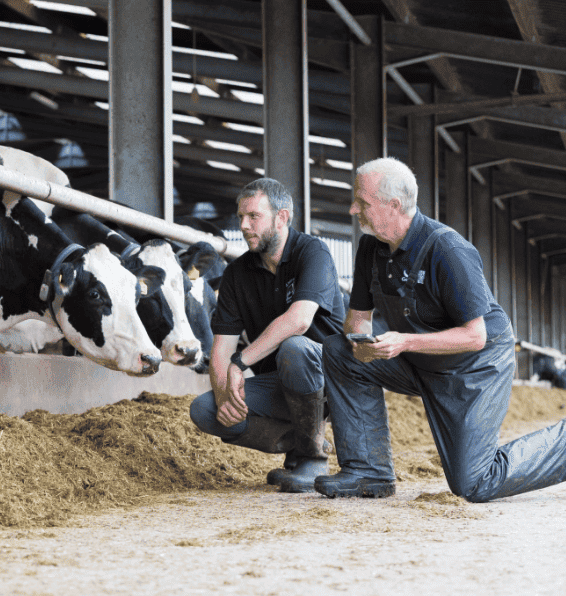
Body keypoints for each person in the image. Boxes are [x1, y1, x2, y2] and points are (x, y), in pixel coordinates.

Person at [315, 157, 566, 502]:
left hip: (474, 368)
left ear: (394, 205)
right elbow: (357, 318)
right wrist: (361, 341)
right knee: (339, 351)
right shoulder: (370, 248)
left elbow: (475, 336)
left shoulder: (448, 249)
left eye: (362, 201)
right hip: (418, 359)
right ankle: (367, 472)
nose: (351, 208)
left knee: (474, 484)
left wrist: (404, 341)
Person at [189, 178, 345, 493]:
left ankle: (312, 456)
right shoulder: (237, 274)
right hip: (280, 385)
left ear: (282, 217)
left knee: (295, 349)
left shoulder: (312, 252)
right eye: (240, 217)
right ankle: (299, 440)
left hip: (332, 382)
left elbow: (299, 321)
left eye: (253, 217)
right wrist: (225, 399)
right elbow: (221, 351)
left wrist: (241, 362)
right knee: (204, 410)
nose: (244, 225)